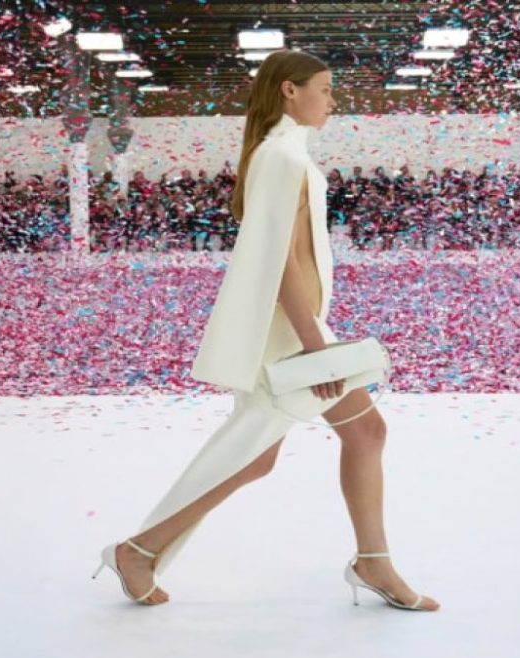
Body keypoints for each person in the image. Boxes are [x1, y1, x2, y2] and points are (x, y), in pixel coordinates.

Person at [92, 49, 439, 612]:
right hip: (288, 336)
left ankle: (372, 561)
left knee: (339, 438)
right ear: (289, 90)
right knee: (268, 450)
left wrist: (314, 333)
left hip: (297, 329)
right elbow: (278, 261)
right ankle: (139, 550)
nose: (332, 101)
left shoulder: (283, 154)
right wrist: (315, 345)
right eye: (324, 89)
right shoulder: (280, 157)